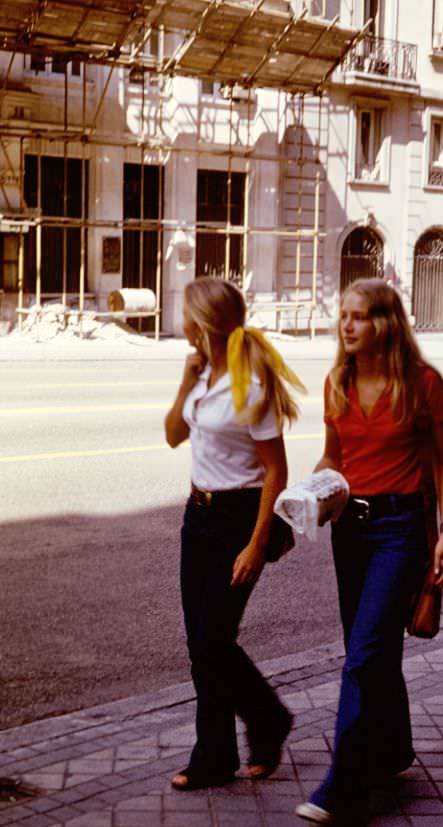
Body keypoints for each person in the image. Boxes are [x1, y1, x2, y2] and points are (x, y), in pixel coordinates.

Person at [295, 278, 443, 827]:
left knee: (362, 656)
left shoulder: (422, 383)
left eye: (359, 316)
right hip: (351, 529)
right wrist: (311, 490)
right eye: (344, 314)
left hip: (400, 528)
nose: (346, 325)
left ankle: (344, 786)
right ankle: (392, 752)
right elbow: (332, 457)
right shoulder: (335, 382)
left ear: (385, 323)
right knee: (372, 651)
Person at [164, 277, 305, 790]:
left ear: (202, 323)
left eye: (184, 314)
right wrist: (185, 382)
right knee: (201, 643)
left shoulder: (253, 386)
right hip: (197, 517)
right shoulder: (201, 377)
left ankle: (267, 719)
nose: (180, 322)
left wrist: (257, 542)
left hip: (239, 519)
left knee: (213, 640)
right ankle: (218, 754)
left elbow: (276, 472)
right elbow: (173, 435)